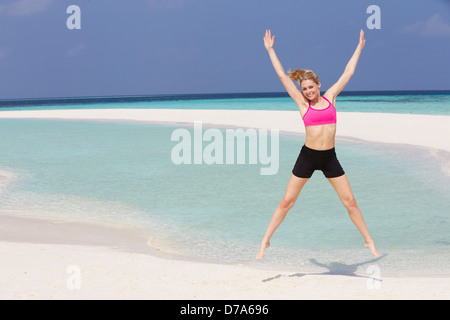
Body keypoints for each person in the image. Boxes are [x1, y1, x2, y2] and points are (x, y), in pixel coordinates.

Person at [256, 29, 380, 260]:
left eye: (311, 87)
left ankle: (368, 240)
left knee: (350, 202)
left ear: (318, 85)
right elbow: (284, 77)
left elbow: (348, 72)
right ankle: (265, 240)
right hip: (308, 156)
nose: (308, 91)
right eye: (304, 88)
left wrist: (360, 47)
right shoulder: (303, 104)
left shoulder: (331, 97)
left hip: (330, 157)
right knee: (287, 202)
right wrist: (271, 50)